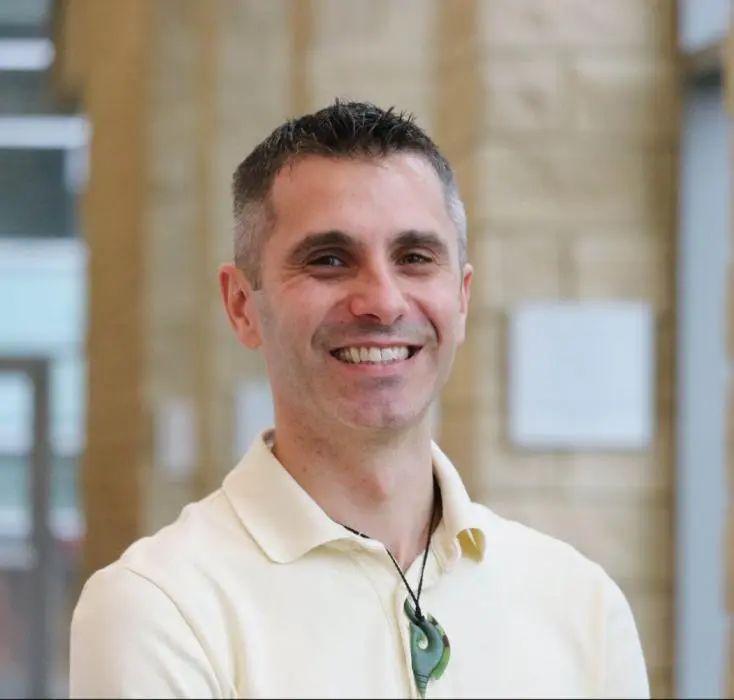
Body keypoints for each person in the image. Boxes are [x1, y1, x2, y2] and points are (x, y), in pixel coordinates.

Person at [69, 100, 649, 699]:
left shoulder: (582, 607)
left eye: (415, 258)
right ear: (242, 306)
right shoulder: (160, 608)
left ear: (462, 298)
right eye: (329, 260)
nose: (383, 302)